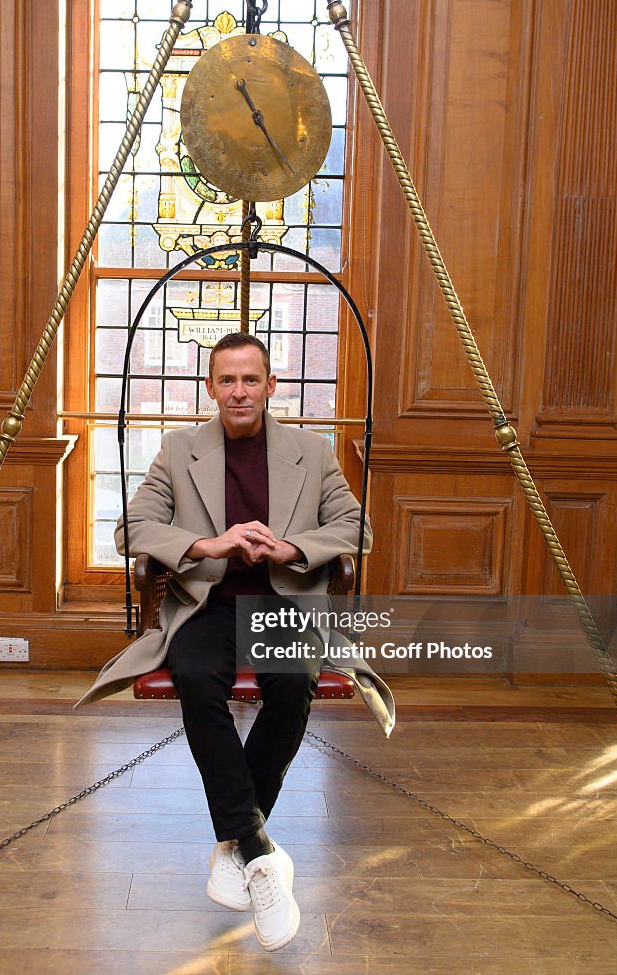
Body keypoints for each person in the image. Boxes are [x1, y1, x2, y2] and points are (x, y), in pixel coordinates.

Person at [75, 332, 395, 951]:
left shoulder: (311, 450)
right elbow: (132, 526)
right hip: (209, 604)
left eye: (252, 379)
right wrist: (207, 545)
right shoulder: (179, 449)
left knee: (294, 680)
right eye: (228, 380)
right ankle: (260, 850)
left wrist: (292, 548)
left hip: (281, 601)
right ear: (211, 388)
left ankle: (237, 845)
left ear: (271, 386)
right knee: (196, 678)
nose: (240, 391)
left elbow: (358, 528)